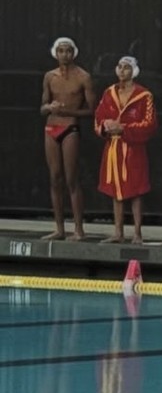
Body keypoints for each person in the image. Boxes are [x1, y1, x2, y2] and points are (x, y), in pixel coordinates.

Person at [94, 56, 157, 244]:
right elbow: (99, 118)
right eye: (120, 67)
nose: (122, 70)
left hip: (133, 149)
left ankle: (137, 232)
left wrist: (124, 128)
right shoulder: (109, 93)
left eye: (127, 67)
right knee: (115, 191)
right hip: (113, 149)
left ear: (134, 71)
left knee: (136, 190)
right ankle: (118, 232)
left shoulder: (144, 96)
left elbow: (149, 124)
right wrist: (105, 126)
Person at [40, 36, 95, 241]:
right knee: (55, 178)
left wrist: (68, 112)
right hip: (51, 127)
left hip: (70, 127)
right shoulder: (49, 77)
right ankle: (59, 228)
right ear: (56, 53)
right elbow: (42, 107)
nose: (65, 54)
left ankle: (78, 229)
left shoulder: (83, 77)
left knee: (71, 179)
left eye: (69, 51)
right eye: (61, 51)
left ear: (74, 53)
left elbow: (91, 110)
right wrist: (49, 108)